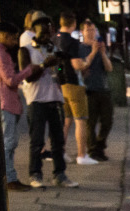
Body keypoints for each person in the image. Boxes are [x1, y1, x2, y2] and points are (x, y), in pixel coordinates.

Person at [20, 13, 77, 188]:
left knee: (58, 140)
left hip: (55, 98)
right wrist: (45, 64)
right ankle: (35, 174)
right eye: (43, 31)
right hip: (37, 100)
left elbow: (60, 75)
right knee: (37, 141)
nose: (47, 34)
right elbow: (27, 76)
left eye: (49, 30)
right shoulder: (26, 50)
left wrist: (59, 65)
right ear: (35, 31)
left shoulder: (52, 49)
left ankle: (59, 174)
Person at [0, 22, 43, 191]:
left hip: (10, 102)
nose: (14, 42)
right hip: (5, 102)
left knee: (11, 142)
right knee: (8, 142)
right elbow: (10, 80)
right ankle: (8, 177)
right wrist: (29, 70)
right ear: (4, 35)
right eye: (13, 38)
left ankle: (10, 176)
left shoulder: (2, 52)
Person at [57, 12, 97, 164]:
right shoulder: (72, 42)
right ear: (73, 24)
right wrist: (91, 55)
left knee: (66, 120)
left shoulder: (55, 39)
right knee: (81, 121)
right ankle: (82, 155)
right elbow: (77, 65)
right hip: (74, 83)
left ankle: (60, 152)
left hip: (61, 84)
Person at [80, 21, 113, 162]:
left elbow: (109, 68)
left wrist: (103, 54)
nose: (91, 33)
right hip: (88, 90)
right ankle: (93, 150)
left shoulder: (101, 49)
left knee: (107, 121)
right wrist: (93, 52)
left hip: (103, 88)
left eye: (93, 30)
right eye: (88, 30)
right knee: (90, 123)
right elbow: (80, 67)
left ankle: (100, 146)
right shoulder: (80, 49)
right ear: (82, 32)